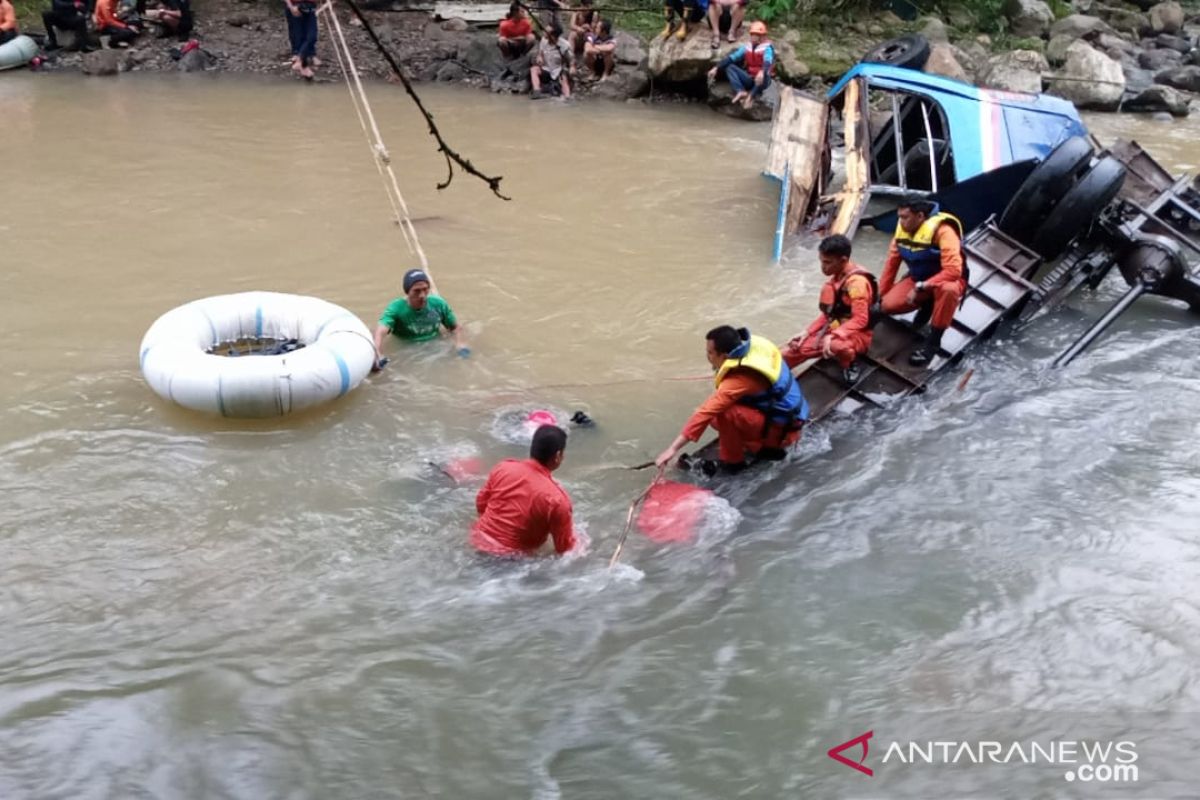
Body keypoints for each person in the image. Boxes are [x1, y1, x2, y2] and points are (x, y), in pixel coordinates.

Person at [656, 326, 809, 474]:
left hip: (782, 432)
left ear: (724, 356)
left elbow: (705, 412)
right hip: (787, 417)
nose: (708, 357)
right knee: (716, 418)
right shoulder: (755, 349)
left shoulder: (739, 379)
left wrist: (672, 449)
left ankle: (734, 463)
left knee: (723, 413)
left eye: (710, 353)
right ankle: (752, 444)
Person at [880, 196, 966, 366]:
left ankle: (933, 342)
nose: (901, 221)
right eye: (899, 217)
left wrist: (922, 287)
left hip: (945, 281)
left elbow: (953, 271)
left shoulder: (944, 231)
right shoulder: (901, 231)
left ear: (920, 216)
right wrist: (879, 296)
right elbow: (891, 265)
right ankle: (928, 303)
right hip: (918, 278)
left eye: (905, 217)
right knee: (888, 305)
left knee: (949, 290)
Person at [470, 425, 580, 558]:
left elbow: (481, 503)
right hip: (511, 561)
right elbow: (564, 549)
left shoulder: (503, 468)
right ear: (558, 456)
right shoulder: (557, 500)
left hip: (478, 542)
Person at [783, 234, 879, 385]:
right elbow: (830, 314)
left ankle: (851, 362)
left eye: (827, 262)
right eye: (821, 261)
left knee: (836, 345)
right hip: (837, 327)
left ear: (843, 260)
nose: (823, 267)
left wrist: (835, 335)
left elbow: (861, 319)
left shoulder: (857, 284)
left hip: (857, 334)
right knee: (791, 350)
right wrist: (807, 332)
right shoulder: (839, 276)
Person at [372, 268, 469, 366]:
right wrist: (378, 355)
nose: (422, 295)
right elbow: (380, 332)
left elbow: (455, 328)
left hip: (435, 344)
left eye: (425, 289)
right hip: (407, 348)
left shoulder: (439, 304)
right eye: (416, 291)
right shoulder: (396, 308)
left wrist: (460, 343)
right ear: (407, 292)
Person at [707, 20, 772, 109]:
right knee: (730, 67)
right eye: (752, 34)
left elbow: (767, 62)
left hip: (763, 79)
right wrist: (716, 68)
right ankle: (740, 91)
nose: (753, 37)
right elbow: (732, 58)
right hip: (750, 78)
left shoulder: (767, 48)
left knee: (762, 76)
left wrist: (762, 72)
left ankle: (751, 97)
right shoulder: (747, 47)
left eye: (756, 35)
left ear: (762, 36)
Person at [530, 23, 575, 99]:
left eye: (546, 32)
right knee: (533, 69)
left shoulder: (564, 45)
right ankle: (537, 91)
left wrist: (572, 67)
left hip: (558, 69)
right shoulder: (544, 40)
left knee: (563, 78)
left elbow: (571, 59)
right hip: (546, 68)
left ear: (553, 36)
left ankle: (567, 97)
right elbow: (540, 53)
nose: (544, 33)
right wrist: (540, 57)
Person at [284, 0, 317, 80]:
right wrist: (291, 7)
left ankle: (300, 61)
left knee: (312, 36)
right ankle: (304, 67)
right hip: (295, 6)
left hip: (310, 7)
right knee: (298, 37)